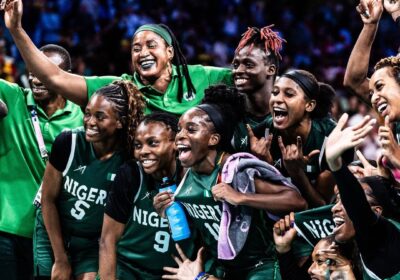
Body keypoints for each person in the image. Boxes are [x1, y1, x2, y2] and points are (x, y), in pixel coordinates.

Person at [155, 84, 307, 279]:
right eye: (179, 129)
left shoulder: (233, 170)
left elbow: (296, 201)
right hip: (222, 267)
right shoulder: (188, 174)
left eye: (191, 130)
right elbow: (205, 226)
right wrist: (167, 215)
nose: (180, 136)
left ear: (213, 139)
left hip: (260, 267)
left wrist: (241, 197)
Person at [3, 0, 232, 115]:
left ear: (170, 52)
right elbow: (54, 77)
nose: (143, 53)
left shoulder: (200, 75)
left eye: (151, 45)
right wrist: (16, 30)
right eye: (136, 48)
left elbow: (245, 78)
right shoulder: (121, 89)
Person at [41, 80, 145, 279]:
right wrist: (61, 259)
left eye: (100, 116)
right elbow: (48, 200)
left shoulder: (130, 161)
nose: (90, 121)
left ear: (120, 122)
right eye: (87, 113)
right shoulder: (67, 142)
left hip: (92, 242)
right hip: (53, 232)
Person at [0, 44, 83, 280]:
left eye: (44, 72)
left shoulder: (83, 117)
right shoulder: (12, 96)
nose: (36, 78)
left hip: (54, 237)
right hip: (7, 227)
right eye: (32, 71)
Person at [98, 112, 196, 279]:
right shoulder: (131, 174)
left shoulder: (194, 178)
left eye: (153, 143)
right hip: (128, 270)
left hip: (177, 273)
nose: (143, 151)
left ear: (175, 143)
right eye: (138, 145)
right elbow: (108, 240)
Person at [325, 113, 400, 279]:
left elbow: (359, 209)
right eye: (337, 200)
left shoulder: (383, 241)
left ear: (377, 210)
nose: (334, 208)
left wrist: (336, 165)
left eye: (344, 199)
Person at [254, 69, 337, 208]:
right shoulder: (264, 131)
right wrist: (263, 165)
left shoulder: (330, 138)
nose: (277, 99)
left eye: (289, 94)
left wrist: (296, 172)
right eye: (275, 92)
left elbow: (320, 207)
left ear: (309, 105)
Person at [230, 25, 285, 152]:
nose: (238, 70)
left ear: (271, 70)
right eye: (235, 64)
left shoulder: (289, 114)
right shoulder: (229, 114)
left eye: (249, 64)